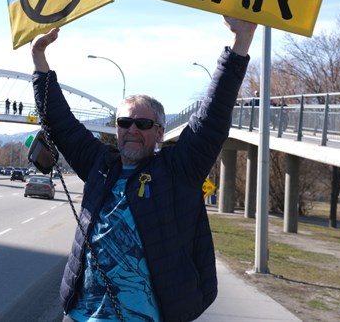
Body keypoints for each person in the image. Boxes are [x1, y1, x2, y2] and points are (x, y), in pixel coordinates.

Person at [31, 16, 257, 322]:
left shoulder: (178, 169)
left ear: (160, 132)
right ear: (117, 128)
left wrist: (240, 42)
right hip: (80, 317)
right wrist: (39, 57)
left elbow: (212, 115)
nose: (132, 129)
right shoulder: (100, 164)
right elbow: (60, 122)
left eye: (143, 123)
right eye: (125, 123)